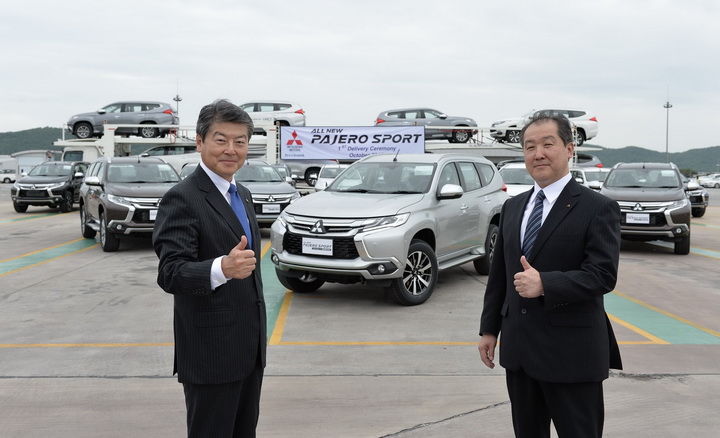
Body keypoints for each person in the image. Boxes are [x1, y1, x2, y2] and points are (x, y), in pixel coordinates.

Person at [478, 114, 622, 438]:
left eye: (548, 144)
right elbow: (499, 274)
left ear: (569, 149)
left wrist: (546, 283)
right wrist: (489, 329)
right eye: (530, 147)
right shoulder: (513, 207)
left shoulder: (597, 207)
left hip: (572, 355)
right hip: (520, 353)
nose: (538, 153)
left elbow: (602, 275)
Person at [153, 99, 266, 437]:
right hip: (211, 354)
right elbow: (171, 272)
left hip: (249, 350)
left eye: (240, 141)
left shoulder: (242, 193)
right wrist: (222, 269)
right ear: (200, 142)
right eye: (221, 139)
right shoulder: (183, 197)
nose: (231, 149)